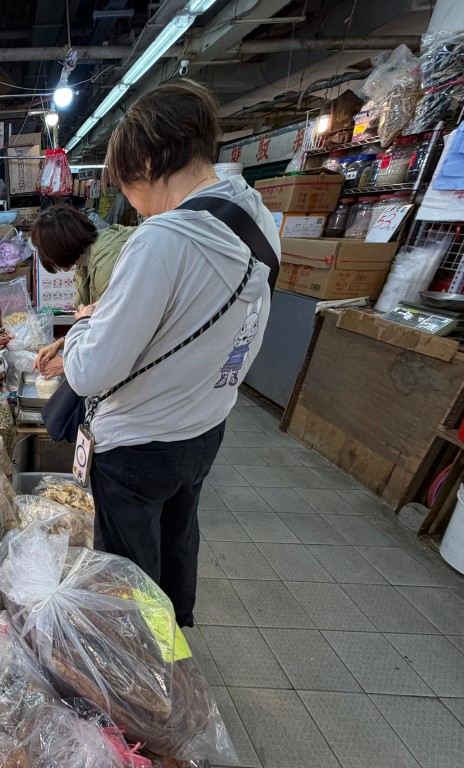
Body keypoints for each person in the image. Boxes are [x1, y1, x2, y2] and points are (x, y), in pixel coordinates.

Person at [61, 79, 277, 627]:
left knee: (129, 578)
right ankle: (177, 642)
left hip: (138, 445)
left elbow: (90, 371)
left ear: (150, 161)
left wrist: (82, 326)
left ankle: (145, 682)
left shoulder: (162, 238)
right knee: (178, 544)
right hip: (205, 428)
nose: (132, 203)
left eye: (129, 185)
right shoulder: (257, 218)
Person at [29, 205, 134, 378]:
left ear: (61, 247)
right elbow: (92, 317)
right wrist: (63, 343)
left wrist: (68, 363)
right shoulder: (83, 260)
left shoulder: (107, 258)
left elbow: (114, 328)